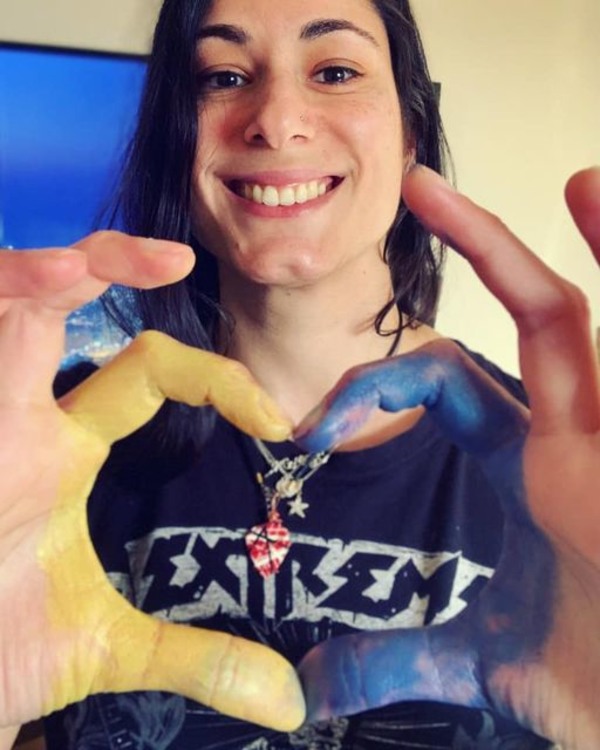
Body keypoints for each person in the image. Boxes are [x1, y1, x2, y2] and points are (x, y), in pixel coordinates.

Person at [0, 1, 598, 749]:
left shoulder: (563, 472)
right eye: (223, 76)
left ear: (411, 132)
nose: (277, 121)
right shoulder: (42, 452)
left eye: (336, 72)